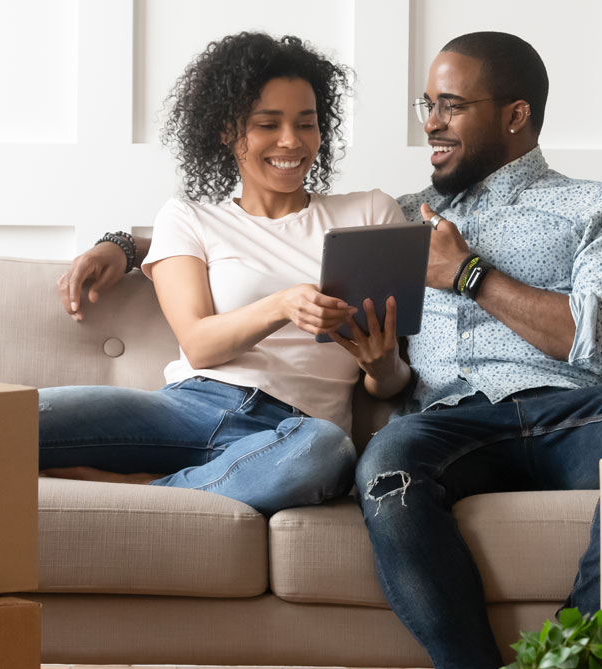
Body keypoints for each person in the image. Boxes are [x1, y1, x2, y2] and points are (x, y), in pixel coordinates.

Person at [62, 32, 602, 669]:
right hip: (447, 427)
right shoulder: (399, 218)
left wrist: (467, 275)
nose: (431, 124)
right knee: (386, 464)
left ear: (514, 115)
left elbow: (598, 342)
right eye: (425, 106)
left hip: (572, 413)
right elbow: (253, 222)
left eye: (450, 106)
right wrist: (120, 244)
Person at [39, 32, 412, 517]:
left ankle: (143, 492)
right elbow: (199, 342)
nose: (291, 141)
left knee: (327, 453)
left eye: (307, 123)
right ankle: (200, 487)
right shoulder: (190, 217)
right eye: (267, 124)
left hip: (295, 430)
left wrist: (382, 369)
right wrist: (281, 305)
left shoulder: (370, 213)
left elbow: (393, 375)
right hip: (188, 408)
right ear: (225, 130)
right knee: (8, 417)